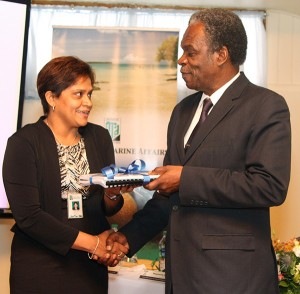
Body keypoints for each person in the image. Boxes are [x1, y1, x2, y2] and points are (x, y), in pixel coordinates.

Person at [106, 8, 291, 294]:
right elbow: (169, 198)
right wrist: (128, 238)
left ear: (221, 55)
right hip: (182, 277)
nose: (181, 60)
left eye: (190, 52)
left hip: (234, 279)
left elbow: (269, 186)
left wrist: (186, 178)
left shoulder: (266, 106)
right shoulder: (183, 112)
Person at [2, 56, 129, 294]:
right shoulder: (23, 143)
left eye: (90, 94)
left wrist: (111, 195)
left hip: (89, 268)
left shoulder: (99, 137)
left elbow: (107, 209)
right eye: (78, 94)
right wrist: (94, 243)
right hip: (40, 267)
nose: (88, 102)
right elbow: (29, 217)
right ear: (51, 98)